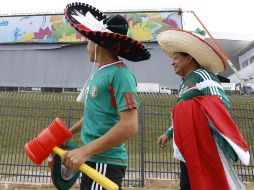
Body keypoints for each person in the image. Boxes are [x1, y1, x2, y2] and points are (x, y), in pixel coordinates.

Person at [62, 2, 150, 190]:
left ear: (97, 43)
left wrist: (85, 151)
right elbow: (93, 116)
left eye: (88, 40)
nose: (87, 45)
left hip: (105, 162)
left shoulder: (121, 74)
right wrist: (67, 134)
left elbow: (129, 126)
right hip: (92, 159)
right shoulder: (99, 72)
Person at [156, 29, 250, 190]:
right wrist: (168, 133)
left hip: (204, 145)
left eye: (176, 57)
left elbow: (220, 102)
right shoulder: (183, 84)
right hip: (187, 143)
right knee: (189, 184)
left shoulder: (203, 75)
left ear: (189, 58)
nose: (172, 62)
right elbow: (182, 115)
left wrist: (195, 117)